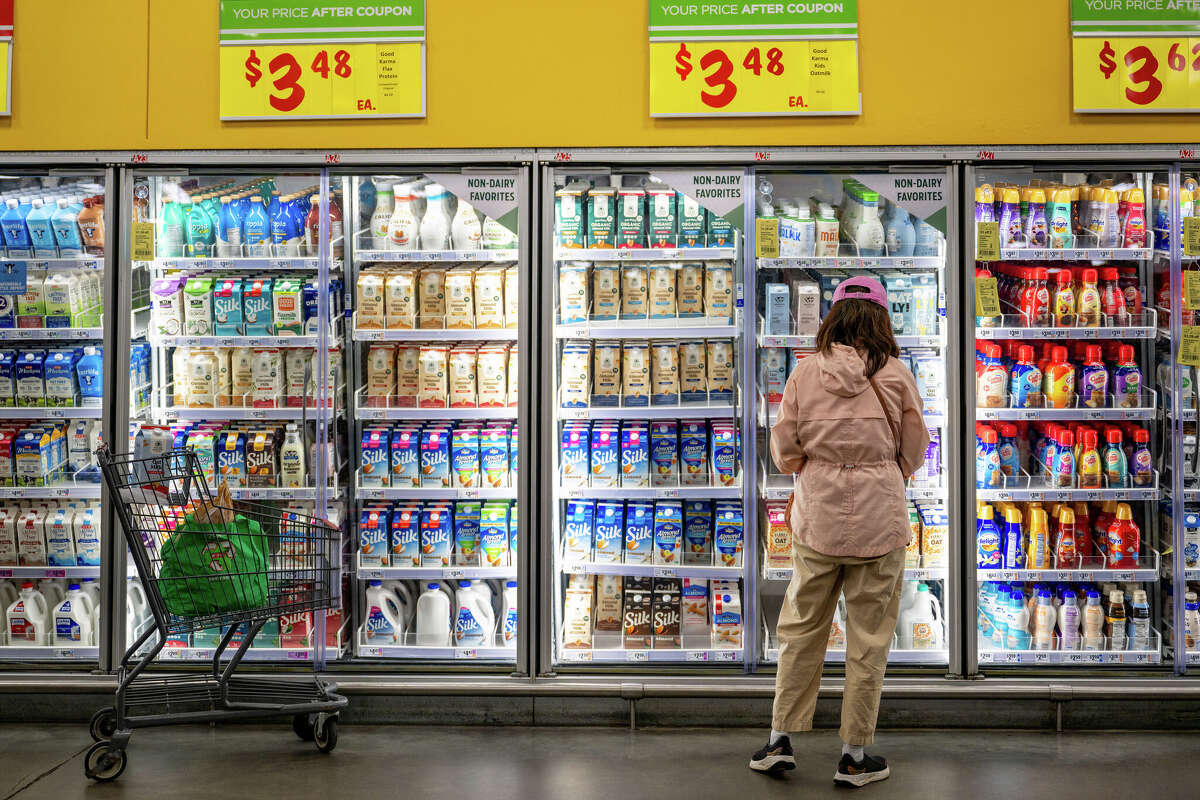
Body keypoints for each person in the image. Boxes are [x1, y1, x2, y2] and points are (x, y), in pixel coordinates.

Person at [749, 276, 930, 788]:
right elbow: (914, 449)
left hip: (818, 518)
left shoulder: (804, 374)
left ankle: (780, 740)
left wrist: (818, 466)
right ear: (880, 318)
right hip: (880, 519)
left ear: (833, 317)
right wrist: (884, 468)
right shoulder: (895, 375)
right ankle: (853, 755)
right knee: (868, 638)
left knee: (801, 628)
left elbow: (784, 447)